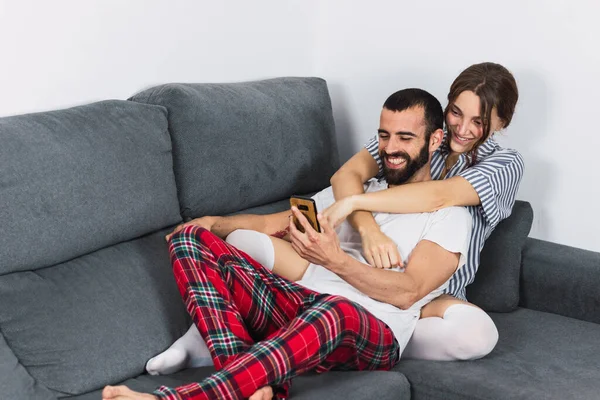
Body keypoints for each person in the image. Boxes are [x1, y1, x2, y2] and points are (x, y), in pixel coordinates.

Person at [102, 88, 472, 400]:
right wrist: (214, 223)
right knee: (189, 239)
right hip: (300, 309)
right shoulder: (353, 192)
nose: (390, 148)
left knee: (335, 309)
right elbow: (269, 223)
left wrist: (335, 260)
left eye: (405, 138)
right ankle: (256, 387)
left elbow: (408, 293)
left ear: (435, 140)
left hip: (373, 329)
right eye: (384, 135)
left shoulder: (449, 215)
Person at [320, 62, 524, 360]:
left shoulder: (505, 164)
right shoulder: (420, 136)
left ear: (501, 123)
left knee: (474, 333)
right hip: (372, 268)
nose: (462, 129)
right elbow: (344, 176)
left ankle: (365, 325)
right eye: (455, 112)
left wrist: (354, 202)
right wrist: (368, 230)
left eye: (478, 121)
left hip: (432, 293)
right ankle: (356, 318)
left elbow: (439, 197)